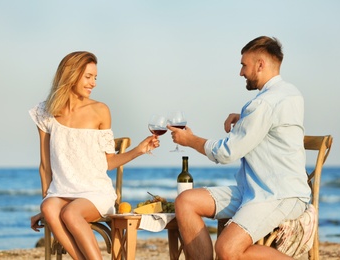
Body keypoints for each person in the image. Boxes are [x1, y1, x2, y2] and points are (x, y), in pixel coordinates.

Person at [168, 36, 311, 259]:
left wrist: (190, 140)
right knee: (186, 202)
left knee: (227, 248)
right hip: (253, 189)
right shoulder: (289, 93)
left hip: (278, 194)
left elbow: (226, 153)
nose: (241, 72)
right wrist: (243, 117)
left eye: (244, 65)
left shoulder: (263, 104)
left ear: (260, 64)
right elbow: (270, 124)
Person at [29, 51, 159, 260]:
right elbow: (45, 165)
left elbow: (108, 162)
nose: (93, 83)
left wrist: (139, 150)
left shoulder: (100, 110)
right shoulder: (46, 112)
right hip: (61, 192)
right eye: (88, 77)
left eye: (95, 78)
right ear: (71, 74)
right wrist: (46, 202)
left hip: (94, 192)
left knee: (71, 214)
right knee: (49, 207)